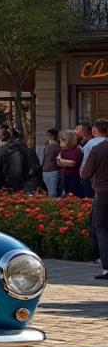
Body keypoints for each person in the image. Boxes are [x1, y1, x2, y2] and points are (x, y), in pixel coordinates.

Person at [80, 119, 108, 280]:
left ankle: (106, 267)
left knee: (101, 227)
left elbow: (85, 173)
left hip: (102, 192)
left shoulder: (98, 149)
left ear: (95, 131)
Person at [57, 131, 85, 198]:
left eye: (63, 140)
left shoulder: (77, 149)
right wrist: (65, 162)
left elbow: (72, 164)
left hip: (75, 176)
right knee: (68, 195)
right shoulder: (63, 150)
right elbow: (58, 162)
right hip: (65, 175)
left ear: (69, 140)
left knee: (76, 195)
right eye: (61, 140)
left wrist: (63, 162)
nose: (61, 142)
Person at [42, 128, 62, 197]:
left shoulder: (55, 146)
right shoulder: (47, 146)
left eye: (48, 135)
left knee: (52, 192)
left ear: (52, 136)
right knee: (49, 192)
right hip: (47, 171)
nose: (46, 137)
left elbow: (53, 159)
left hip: (52, 171)